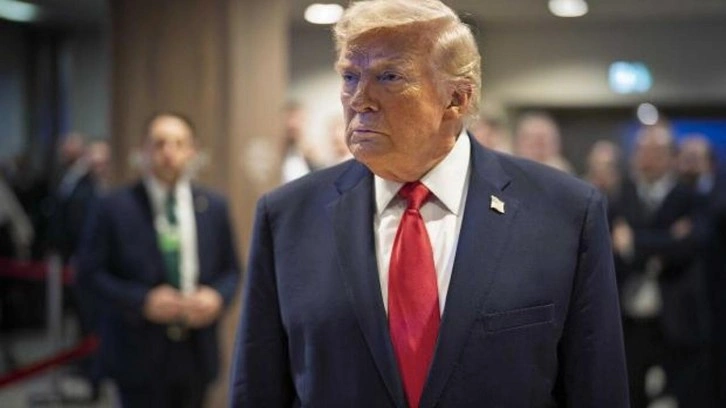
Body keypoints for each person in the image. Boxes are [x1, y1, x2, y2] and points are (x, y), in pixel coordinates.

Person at [230, 0, 628, 406]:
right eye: (350, 76)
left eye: (389, 76)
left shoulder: (563, 213)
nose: (360, 99)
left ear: (456, 98)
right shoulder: (288, 217)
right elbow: (258, 390)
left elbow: (598, 388)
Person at [77, 112, 241, 408]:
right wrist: (141, 301)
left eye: (179, 143)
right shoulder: (113, 207)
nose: (169, 152)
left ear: (192, 151)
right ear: (143, 150)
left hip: (196, 350)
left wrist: (217, 297)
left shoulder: (213, 206)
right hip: (137, 352)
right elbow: (89, 274)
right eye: (159, 143)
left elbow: (232, 270)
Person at [611, 122, 711, 407]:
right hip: (629, 317)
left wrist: (633, 241)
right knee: (631, 392)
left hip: (676, 318)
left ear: (671, 156)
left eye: (655, 151)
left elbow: (689, 246)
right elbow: (609, 247)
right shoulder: (621, 195)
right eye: (641, 150)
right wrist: (666, 239)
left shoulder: (690, 197)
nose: (646, 157)